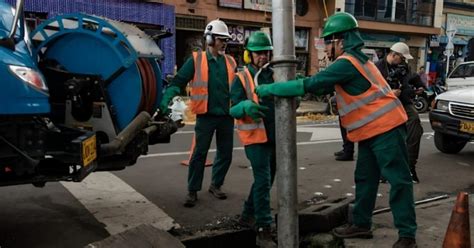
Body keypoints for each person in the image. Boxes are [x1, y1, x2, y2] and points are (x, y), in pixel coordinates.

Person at [255, 12, 417, 248]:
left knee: (399, 181)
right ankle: (361, 224)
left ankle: (407, 236)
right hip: (373, 131)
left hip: (386, 129)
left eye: (328, 41)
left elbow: (310, 85)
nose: (326, 47)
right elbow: (320, 85)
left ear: (341, 41)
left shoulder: (347, 63)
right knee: (365, 178)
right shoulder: (359, 60)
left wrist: (272, 89)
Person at [159, 19, 237, 207]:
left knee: (226, 154)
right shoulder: (196, 60)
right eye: (220, 39)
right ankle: (193, 190)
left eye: (225, 40)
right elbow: (178, 82)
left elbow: (237, 87)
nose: (224, 43)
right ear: (209, 39)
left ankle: (216, 185)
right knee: (199, 154)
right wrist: (167, 98)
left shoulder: (231, 61)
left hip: (227, 116)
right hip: (206, 116)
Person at [229, 31, 277, 248]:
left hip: (275, 137)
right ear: (249, 55)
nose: (263, 57)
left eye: (266, 52)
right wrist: (244, 106)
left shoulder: (275, 75)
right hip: (255, 138)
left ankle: (247, 214)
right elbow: (232, 109)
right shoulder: (241, 78)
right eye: (258, 53)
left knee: (266, 180)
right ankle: (263, 229)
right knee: (263, 179)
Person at [375, 42, 425, 184]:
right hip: (384, 105)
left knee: (415, 126)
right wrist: (389, 93)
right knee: (388, 136)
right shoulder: (377, 68)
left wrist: (420, 86)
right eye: (402, 58)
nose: (403, 61)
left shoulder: (403, 66)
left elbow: (413, 77)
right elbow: (370, 90)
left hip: (403, 102)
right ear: (394, 55)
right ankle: (383, 170)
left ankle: (409, 167)